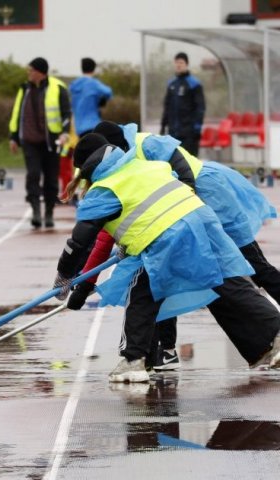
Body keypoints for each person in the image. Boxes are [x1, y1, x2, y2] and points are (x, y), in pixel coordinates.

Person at [53, 133, 280, 383]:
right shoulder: (146, 165)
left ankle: (134, 361)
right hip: (202, 220)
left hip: (165, 237)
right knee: (225, 282)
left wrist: (64, 277)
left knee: (141, 292)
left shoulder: (103, 190)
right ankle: (273, 333)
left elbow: (78, 242)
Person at [9, 57, 71, 229]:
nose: (28, 73)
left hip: (52, 141)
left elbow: (66, 113)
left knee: (51, 179)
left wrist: (65, 133)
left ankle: (49, 212)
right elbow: (17, 114)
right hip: (29, 141)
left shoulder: (58, 88)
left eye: (31, 70)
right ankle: (36, 211)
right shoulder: (24, 89)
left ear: (40, 72)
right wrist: (13, 137)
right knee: (33, 175)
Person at [160, 52, 205, 156]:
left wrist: (197, 129)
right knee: (174, 162)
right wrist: (163, 125)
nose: (178, 65)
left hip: (188, 133)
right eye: (176, 62)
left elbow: (200, 107)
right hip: (173, 132)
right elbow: (167, 106)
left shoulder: (194, 84)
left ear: (186, 64)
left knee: (189, 163)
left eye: (181, 62)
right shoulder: (172, 84)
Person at [69, 57, 113, 137]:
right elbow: (108, 92)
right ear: (94, 69)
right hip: (92, 125)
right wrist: (100, 99)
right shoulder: (93, 84)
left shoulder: (74, 85)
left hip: (78, 128)